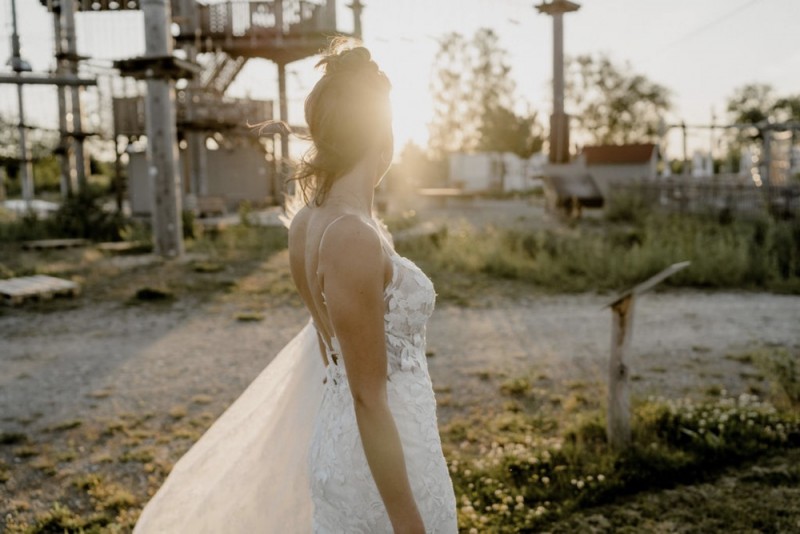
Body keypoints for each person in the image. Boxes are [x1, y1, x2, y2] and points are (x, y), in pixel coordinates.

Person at [133, 40, 457, 533]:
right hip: (380, 456)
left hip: (369, 437)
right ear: (380, 132)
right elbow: (368, 397)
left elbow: (331, 355)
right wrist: (408, 524)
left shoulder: (309, 219)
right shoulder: (350, 235)